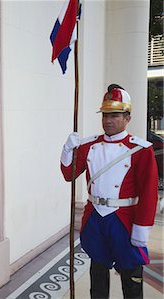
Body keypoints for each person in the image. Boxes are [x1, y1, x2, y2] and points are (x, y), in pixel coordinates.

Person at [60, 84, 159, 299]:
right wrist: (67, 150)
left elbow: (149, 195)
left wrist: (141, 229)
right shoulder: (89, 145)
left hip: (124, 220)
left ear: (127, 118)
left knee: (131, 275)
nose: (108, 120)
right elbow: (69, 174)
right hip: (95, 217)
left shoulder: (141, 150)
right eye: (105, 115)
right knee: (98, 272)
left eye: (114, 115)